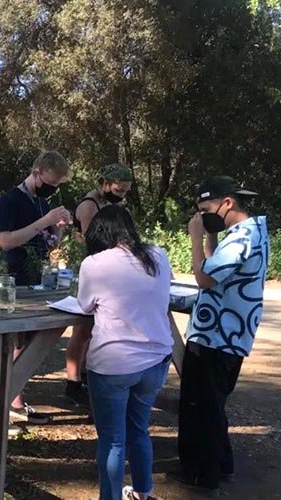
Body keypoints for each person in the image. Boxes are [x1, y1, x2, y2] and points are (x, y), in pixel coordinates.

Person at [167, 177, 268, 491]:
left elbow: (204, 278)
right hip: (226, 333)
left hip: (217, 336)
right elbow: (217, 267)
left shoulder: (242, 238)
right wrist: (210, 236)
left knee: (200, 406)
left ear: (227, 203)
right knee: (213, 403)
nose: (201, 217)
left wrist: (195, 239)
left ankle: (200, 474)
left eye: (205, 210)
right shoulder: (246, 232)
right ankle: (221, 464)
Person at [77, 205, 173, 500]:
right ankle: (143, 492)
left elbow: (84, 306)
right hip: (156, 359)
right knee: (139, 430)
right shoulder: (158, 255)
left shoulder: (95, 263)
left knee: (112, 441)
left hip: (113, 364)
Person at [0, 150, 72, 425]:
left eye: (58, 186)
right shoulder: (9, 200)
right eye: (50, 182)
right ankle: (3, 402)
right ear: (37, 173)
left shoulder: (41, 203)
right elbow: (5, 241)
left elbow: (49, 243)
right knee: (12, 339)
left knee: (29, 340)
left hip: (37, 277)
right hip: (12, 277)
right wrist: (45, 221)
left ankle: (12, 399)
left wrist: (59, 227)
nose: (52, 189)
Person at [66, 163, 134, 406]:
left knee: (94, 329)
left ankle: (84, 376)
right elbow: (92, 243)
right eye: (118, 190)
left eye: (125, 191)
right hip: (88, 268)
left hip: (104, 268)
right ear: (105, 183)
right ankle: (72, 381)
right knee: (82, 329)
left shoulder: (109, 204)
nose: (121, 195)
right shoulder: (88, 206)